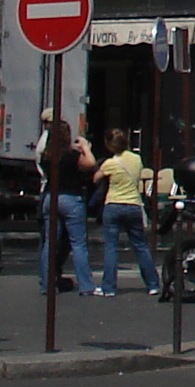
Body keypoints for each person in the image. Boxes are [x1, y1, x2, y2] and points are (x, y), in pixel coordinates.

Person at [92, 128, 159, 296]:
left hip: (113, 204)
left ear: (110, 146)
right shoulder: (137, 159)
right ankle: (153, 284)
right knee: (140, 245)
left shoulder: (110, 163)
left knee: (111, 247)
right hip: (133, 205)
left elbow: (96, 178)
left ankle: (109, 287)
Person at [39, 114, 100, 297]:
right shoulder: (71, 155)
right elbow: (90, 164)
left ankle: (46, 284)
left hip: (51, 197)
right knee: (78, 243)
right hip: (71, 198)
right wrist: (85, 147)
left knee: (50, 243)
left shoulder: (46, 156)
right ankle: (86, 285)